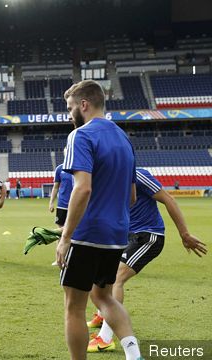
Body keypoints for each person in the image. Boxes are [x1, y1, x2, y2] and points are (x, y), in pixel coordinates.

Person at [56, 80, 143, 360]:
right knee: (103, 296)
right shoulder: (123, 138)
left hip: (86, 234)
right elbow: (131, 196)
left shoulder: (80, 136)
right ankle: (133, 353)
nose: (69, 115)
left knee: (74, 306)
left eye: (70, 108)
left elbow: (82, 188)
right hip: (117, 233)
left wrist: (65, 237)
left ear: (84, 105)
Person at [86, 168, 207, 352]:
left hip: (149, 235)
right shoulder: (104, 180)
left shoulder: (138, 174)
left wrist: (184, 234)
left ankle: (105, 338)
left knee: (116, 278)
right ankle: (104, 314)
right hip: (126, 237)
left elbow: (169, 199)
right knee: (99, 273)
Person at [49, 162, 74, 266]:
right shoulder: (60, 168)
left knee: (75, 233)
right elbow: (55, 187)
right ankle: (58, 258)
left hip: (76, 205)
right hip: (62, 205)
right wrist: (51, 202)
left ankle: (71, 258)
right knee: (60, 232)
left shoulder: (80, 166)